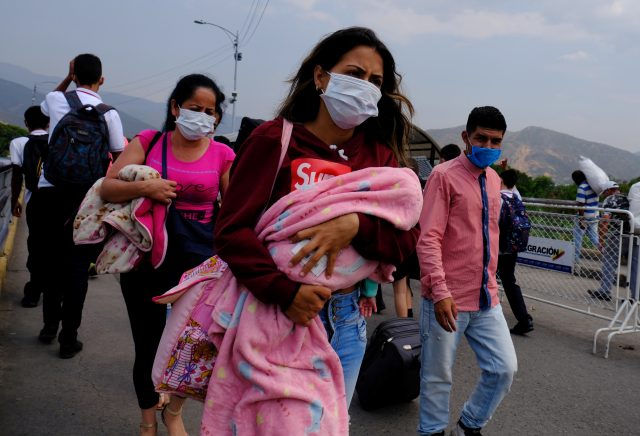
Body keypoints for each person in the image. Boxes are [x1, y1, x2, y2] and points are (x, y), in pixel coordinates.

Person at [214, 26, 419, 409]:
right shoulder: (275, 140)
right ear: (321, 76)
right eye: (355, 74)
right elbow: (231, 231)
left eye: (375, 81)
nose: (365, 86)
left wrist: (357, 226)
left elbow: (408, 240)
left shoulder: (379, 153)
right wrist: (286, 293)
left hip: (347, 321)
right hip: (279, 315)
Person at [100, 73, 233, 435]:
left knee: (196, 346)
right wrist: (148, 186)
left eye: (210, 111)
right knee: (147, 345)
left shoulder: (223, 153)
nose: (203, 116)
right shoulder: (149, 142)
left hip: (200, 266)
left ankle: (172, 410)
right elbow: (108, 187)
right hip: (146, 260)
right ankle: (147, 422)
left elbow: (237, 208)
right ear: (176, 108)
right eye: (194, 108)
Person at [416, 106, 518, 436]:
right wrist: (440, 291)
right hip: (447, 299)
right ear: (466, 137)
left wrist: (493, 284)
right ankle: (431, 431)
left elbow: (489, 236)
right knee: (437, 375)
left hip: (486, 298)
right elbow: (428, 238)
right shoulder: (443, 176)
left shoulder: (493, 180)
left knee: (504, 368)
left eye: (495, 140)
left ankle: (470, 423)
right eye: (481, 138)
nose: (488, 144)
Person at [29, 54, 125, 358]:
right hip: (84, 201)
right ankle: (68, 339)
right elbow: (118, 152)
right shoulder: (109, 114)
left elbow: (47, 106)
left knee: (49, 260)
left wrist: (68, 79)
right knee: (75, 267)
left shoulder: (56, 100)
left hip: (49, 193)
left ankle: (48, 326)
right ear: (102, 80)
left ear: (73, 73)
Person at [9, 106, 49, 308]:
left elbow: (17, 176)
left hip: (35, 202)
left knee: (36, 245)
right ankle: (53, 290)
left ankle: (33, 291)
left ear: (26, 122)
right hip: (58, 200)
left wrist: (15, 200)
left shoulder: (18, 143)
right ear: (49, 123)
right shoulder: (56, 141)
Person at [497, 169, 534, 334]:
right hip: (512, 247)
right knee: (509, 281)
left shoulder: (498, 198)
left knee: (486, 280)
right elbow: (513, 187)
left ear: (500, 180)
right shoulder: (516, 197)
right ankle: (524, 319)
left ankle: (486, 320)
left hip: (497, 247)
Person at [588, 181, 629, 302]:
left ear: (609, 190)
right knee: (635, 267)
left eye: (605, 192)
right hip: (634, 235)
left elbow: (604, 222)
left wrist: (601, 241)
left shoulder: (610, 200)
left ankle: (604, 291)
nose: (605, 195)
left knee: (609, 263)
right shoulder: (628, 199)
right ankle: (635, 297)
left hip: (616, 235)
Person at [572, 170, 599, 266]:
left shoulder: (582, 187)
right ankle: (608, 254)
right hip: (595, 216)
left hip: (585, 217)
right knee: (595, 238)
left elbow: (581, 204)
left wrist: (581, 218)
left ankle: (575, 260)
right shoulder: (593, 186)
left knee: (577, 238)